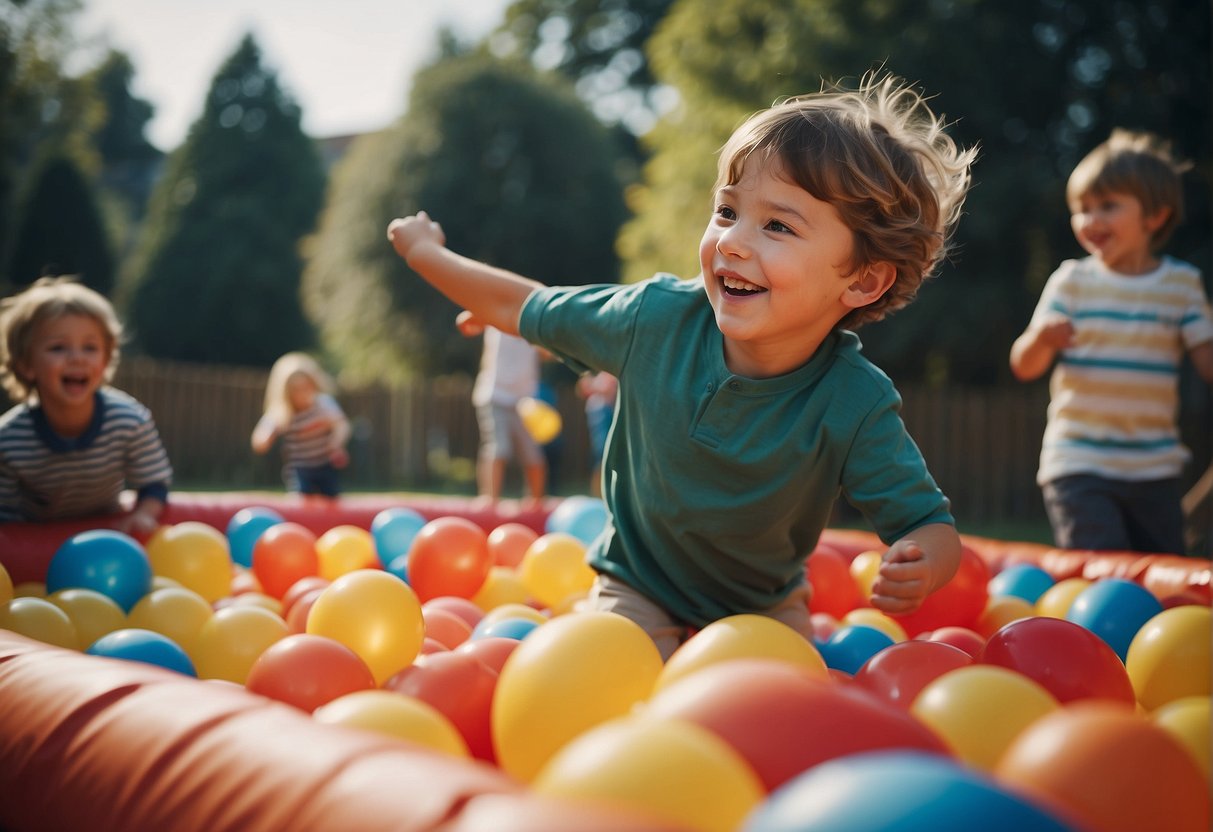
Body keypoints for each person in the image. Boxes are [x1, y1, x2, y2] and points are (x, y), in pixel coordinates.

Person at [389, 73, 974, 658]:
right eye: (726, 211)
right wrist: (429, 255)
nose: (733, 242)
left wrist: (921, 562)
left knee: (773, 714)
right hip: (640, 584)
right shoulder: (654, 319)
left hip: (763, 605)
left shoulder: (854, 401)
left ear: (863, 280)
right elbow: (526, 304)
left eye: (777, 225)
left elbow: (926, 522)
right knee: (613, 674)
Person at [1010, 129, 1213, 555]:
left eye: (1107, 206)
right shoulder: (1072, 281)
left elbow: (1206, 359)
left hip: (1155, 467)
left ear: (1155, 216)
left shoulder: (1181, 285)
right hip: (1079, 462)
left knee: (1163, 568)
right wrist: (1041, 338)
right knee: (1101, 566)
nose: (1090, 221)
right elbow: (1024, 365)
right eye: (1081, 209)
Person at [0, 276, 172, 535]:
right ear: (26, 364)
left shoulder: (129, 421)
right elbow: (6, 520)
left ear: (105, 361)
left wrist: (143, 516)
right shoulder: (9, 441)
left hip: (105, 532)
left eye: (90, 348)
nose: (77, 358)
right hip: (39, 538)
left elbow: (154, 483)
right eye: (58, 348)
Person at [457, 309, 548, 509]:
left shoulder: (532, 332)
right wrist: (470, 319)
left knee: (533, 454)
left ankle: (535, 501)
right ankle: (489, 498)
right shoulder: (498, 319)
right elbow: (469, 318)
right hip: (495, 395)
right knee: (499, 447)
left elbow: (548, 352)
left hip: (524, 403)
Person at [251, 352, 351, 500]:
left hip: (325, 465)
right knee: (300, 497)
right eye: (296, 389)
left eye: (306, 387)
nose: (302, 393)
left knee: (332, 497)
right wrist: (264, 438)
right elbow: (260, 438)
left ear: (315, 384)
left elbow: (342, 425)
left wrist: (336, 442)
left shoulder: (323, 404)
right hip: (300, 469)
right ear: (286, 392)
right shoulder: (282, 412)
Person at [576, 370, 617, 498]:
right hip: (601, 412)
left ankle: (610, 495)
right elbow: (581, 387)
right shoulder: (592, 370)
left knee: (612, 457)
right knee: (602, 456)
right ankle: (598, 497)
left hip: (613, 411)